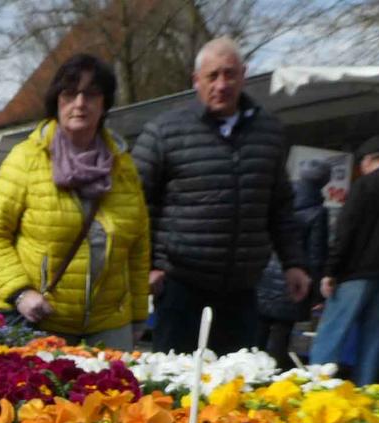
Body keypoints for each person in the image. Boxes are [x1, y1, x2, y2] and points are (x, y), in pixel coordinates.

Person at [132, 37, 309, 355]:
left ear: (244, 74)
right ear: (196, 80)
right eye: (212, 76)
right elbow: (133, 203)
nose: (222, 84)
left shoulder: (269, 133)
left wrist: (293, 262)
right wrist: (147, 266)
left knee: (234, 387)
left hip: (241, 290)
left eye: (230, 74)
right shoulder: (164, 131)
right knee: (174, 386)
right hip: (179, 286)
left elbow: (280, 205)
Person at [0, 54, 151, 348]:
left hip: (109, 325)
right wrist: (20, 293)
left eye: (91, 94)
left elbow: (137, 248)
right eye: (70, 94)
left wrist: (137, 317)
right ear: (56, 101)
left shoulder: (122, 166)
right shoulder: (25, 159)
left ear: (104, 103)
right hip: (42, 321)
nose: (80, 104)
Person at [309, 135, 379, 385]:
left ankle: (314, 389)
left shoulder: (365, 186)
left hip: (355, 274)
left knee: (332, 336)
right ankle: (364, 394)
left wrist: (331, 270)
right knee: (373, 340)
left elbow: (346, 231)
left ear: (369, 160)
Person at [255, 159, 331, 365]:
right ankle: (269, 382)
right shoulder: (318, 212)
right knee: (281, 337)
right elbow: (316, 255)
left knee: (256, 334)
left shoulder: (279, 200)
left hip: (264, 276)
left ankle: (246, 376)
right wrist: (314, 292)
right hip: (292, 280)